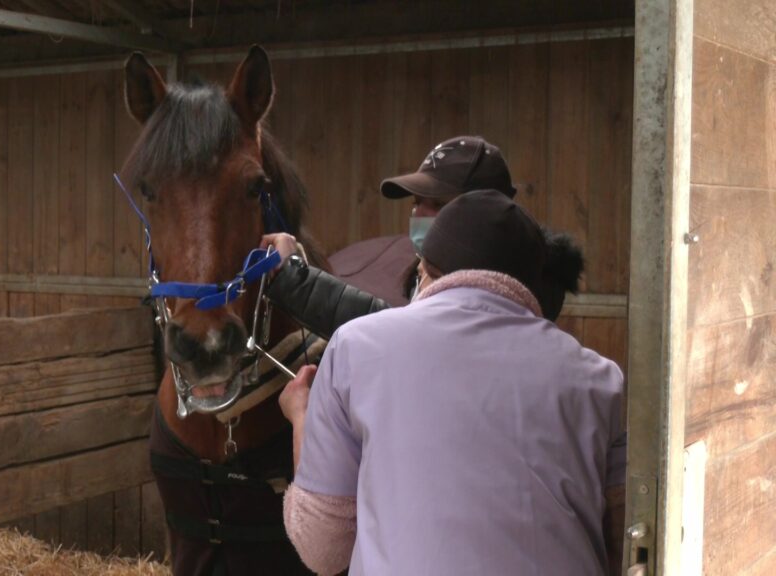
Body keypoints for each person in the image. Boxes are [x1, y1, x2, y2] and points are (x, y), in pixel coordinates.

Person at [279, 190, 627, 576]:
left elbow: (323, 550)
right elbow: (622, 544)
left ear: (425, 270)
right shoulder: (601, 380)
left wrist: (302, 419)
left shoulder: (355, 348)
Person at [262, 136, 518, 339]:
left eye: (438, 204)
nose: (418, 214)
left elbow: (402, 336)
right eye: (416, 202)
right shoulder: (423, 278)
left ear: (486, 215)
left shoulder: (495, 304)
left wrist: (296, 280)